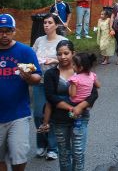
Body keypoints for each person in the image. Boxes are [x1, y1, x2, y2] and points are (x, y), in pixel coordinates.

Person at [44, 40, 98, 171]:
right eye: (59, 54)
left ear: (73, 53)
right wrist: (70, 108)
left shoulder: (83, 72)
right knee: (64, 153)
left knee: (78, 152)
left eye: (66, 53)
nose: (63, 57)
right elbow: (51, 96)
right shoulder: (50, 74)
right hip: (59, 119)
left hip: (80, 117)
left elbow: (94, 93)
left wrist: (79, 107)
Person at [0, 14, 42, 171]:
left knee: (19, 156)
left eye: (8, 31)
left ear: (14, 31)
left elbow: (38, 76)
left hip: (18, 113)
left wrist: (29, 78)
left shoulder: (24, 51)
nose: (4, 34)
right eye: (0, 31)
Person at [31, 13, 66, 160]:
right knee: (38, 114)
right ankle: (41, 144)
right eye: (45, 23)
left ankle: (53, 147)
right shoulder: (39, 40)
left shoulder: (63, 41)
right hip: (39, 82)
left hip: (56, 83)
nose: (46, 25)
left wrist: (54, 60)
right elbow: (31, 57)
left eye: (49, 23)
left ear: (56, 25)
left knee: (51, 115)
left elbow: (69, 61)